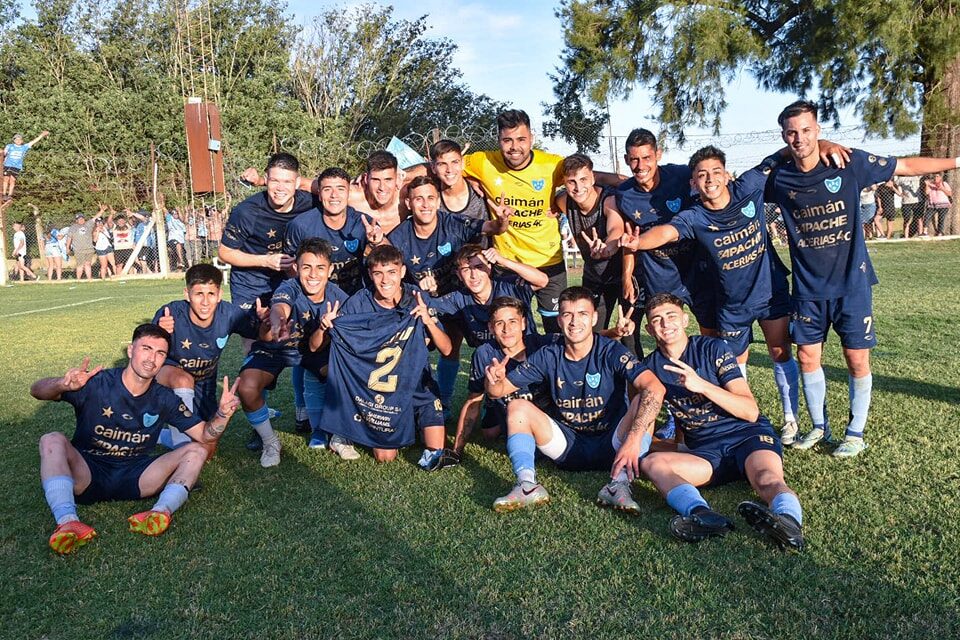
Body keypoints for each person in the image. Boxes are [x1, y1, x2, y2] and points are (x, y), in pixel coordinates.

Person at [767, 99, 960, 456]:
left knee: (857, 359)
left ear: (818, 130)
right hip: (808, 289)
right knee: (808, 358)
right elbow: (745, 186)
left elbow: (905, 166)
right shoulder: (779, 178)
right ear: (783, 136)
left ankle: (854, 432)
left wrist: (956, 161)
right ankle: (818, 426)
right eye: (792, 133)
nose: (800, 139)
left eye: (807, 131)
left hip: (852, 285)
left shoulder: (847, 163)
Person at [620, 145, 800, 442]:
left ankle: (790, 420)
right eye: (701, 175)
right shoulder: (694, 216)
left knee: (780, 352)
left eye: (716, 172)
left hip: (769, 293)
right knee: (734, 363)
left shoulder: (750, 185)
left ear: (727, 175)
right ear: (693, 183)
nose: (710, 179)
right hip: (730, 302)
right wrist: (637, 244)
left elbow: (779, 156)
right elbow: (667, 232)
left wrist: (827, 146)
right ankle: (737, 416)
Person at [30, 323, 242, 554]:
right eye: (146, 349)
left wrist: (222, 415)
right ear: (131, 350)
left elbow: (203, 434)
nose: (152, 358)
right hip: (87, 474)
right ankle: (67, 521)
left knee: (197, 450)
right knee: (51, 439)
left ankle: (159, 512)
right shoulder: (97, 383)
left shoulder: (164, 398)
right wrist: (62, 383)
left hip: (138, 477)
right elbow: (36, 390)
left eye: (160, 353)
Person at [638, 293, 805, 551]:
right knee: (650, 462)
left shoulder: (713, 348)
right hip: (705, 452)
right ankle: (703, 516)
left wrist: (701, 385)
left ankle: (789, 523)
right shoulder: (650, 368)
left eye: (671, 316)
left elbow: (749, 411)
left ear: (685, 320)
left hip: (747, 436)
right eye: (656, 320)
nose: (665, 324)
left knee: (766, 478)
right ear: (649, 329)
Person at [484, 286, 665, 513]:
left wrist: (633, 439)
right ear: (559, 320)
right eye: (567, 314)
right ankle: (527, 485)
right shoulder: (548, 354)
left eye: (582, 314)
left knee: (645, 400)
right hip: (567, 447)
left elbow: (655, 388)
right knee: (517, 406)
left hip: (614, 444)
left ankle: (618, 485)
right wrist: (494, 380)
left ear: (594, 318)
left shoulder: (611, 350)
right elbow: (497, 391)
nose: (574, 321)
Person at [461, 109, 624, 333]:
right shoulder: (482, 161)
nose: (514, 147)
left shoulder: (552, 165)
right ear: (498, 140)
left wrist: (634, 184)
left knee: (558, 333)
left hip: (551, 264)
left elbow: (589, 175)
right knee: (510, 332)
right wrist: (470, 179)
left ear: (532, 138)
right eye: (507, 140)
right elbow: (445, 166)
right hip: (508, 265)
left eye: (521, 139)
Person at [321, 244, 451, 465]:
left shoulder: (416, 297)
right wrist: (328, 325)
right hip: (381, 387)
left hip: (416, 382)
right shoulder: (360, 301)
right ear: (370, 275)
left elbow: (447, 349)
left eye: (391, 272)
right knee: (385, 457)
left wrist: (428, 321)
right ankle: (349, 428)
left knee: (435, 451)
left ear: (401, 272)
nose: (385, 280)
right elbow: (335, 342)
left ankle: (412, 418)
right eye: (378, 273)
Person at [220, 153, 316, 449]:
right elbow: (225, 253)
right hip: (251, 283)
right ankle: (258, 422)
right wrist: (265, 260)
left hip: (290, 281)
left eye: (287, 181)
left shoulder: (308, 200)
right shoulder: (246, 211)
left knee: (305, 339)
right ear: (266, 180)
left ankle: (306, 413)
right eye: (273, 180)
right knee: (256, 346)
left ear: (297, 183)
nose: (279, 188)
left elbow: (325, 186)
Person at [283, 166, 384, 435]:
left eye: (340, 188)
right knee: (306, 351)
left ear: (349, 192)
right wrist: (310, 290)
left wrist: (375, 244)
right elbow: (291, 265)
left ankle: (351, 412)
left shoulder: (364, 223)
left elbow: (375, 264)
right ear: (319, 193)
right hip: (313, 298)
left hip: (353, 302)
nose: (334, 195)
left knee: (346, 357)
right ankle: (302, 408)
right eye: (327, 189)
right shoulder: (301, 225)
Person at [236, 238, 348, 467]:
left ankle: (338, 432)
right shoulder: (289, 287)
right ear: (296, 268)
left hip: (314, 349)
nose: (313, 274)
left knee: (346, 374)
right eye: (306, 267)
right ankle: (270, 442)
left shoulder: (339, 298)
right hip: (278, 347)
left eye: (320, 268)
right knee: (246, 386)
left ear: (330, 270)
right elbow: (280, 307)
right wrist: (276, 323)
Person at [614, 128, 719, 345]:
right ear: (626, 159)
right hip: (660, 273)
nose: (641, 166)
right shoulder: (624, 194)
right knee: (666, 335)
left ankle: (708, 374)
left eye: (646, 158)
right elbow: (629, 239)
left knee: (710, 332)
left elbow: (710, 185)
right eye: (634, 159)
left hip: (696, 267)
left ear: (658, 155)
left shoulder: (681, 175)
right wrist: (626, 276)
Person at [152, 264, 265, 456]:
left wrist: (265, 324)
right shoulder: (170, 313)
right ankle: (182, 452)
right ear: (187, 294)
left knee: (208, 450)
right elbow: (144, 348)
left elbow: (261, 335)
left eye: (211, 294)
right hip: (167, 381)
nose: (205, 301)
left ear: (219, 294)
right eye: (198, 294)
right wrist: (159, 332)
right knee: (182, 380)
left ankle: (164, 437)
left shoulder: (228, 314)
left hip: (204, 387)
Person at [433, 243, 548, 418]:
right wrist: (428, 289)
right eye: (466, 269)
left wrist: (503, 260)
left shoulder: (508, 286)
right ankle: (447, 404)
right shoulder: (459, 298)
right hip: (492, 366)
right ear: (458, 274)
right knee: (490, 431)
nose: (473, 275)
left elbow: (542, 280)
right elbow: (423, 304)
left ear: (490, 268)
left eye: (479, 267)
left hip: (528, 360)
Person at [552, 153, 626, 338]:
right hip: (593, 278)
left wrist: (607, 248)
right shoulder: (562, 201)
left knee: (628, 336)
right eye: (571, 181)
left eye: (584, 179)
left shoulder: (608, 200)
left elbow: (616, 228)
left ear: (593, 178)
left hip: (622, 276)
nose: (578, 187)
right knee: (591, 335)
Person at [430, 139, 488, 222]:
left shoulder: (480, 191)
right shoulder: (430, 199)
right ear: (433, 168)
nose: (449, 169)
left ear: (462, 163)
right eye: (442, 164)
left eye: (455, 162)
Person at [2, 130, 49, 200]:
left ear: (22, 141)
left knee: (12, 180)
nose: (18, 141)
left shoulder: (24, 147)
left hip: (17, 166)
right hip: (8, 165)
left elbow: (33, 142)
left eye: (19, 139)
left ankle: (9, 195)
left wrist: (42, 135)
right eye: (16, 139)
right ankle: (4, 194)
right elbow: (4, 153)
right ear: (14, 140)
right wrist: (4, 154)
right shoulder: (9, 146)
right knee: (6, 179)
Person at [65, 212, 96, 281]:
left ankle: (89, 279)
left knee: (88, 264)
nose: (81, 220)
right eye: (79, 219)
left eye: (82, 218)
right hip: (79, 250)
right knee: (80, 265)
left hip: (89, 249)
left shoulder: (88, 224)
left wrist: (102, 211)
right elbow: (69, 238)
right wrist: (67, 247)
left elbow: (95, 218)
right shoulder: (73, 227)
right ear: (76, 220)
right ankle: (78, 279)